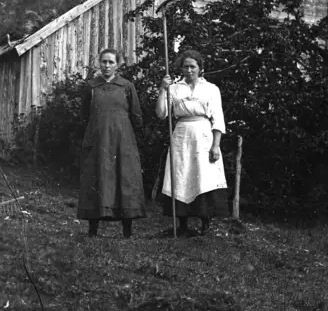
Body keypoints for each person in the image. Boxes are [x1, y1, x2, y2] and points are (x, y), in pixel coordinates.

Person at [155, 48, 229, 236]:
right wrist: (163, 89)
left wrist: (216, 145)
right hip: (181, 134)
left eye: (192, 67)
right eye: (185, 67)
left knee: (203, 175)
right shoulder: (174, 88)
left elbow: (218, 119)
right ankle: (182, 223)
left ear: (200, 68)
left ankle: (205, 222)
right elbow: (161, 114)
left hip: (204, 135)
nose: (188, 70)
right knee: (181, 174)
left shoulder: (211, 89)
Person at [77, 48, 147, 238]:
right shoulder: (91, 86)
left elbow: (136, 116)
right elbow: (84, 115)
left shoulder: (126, 86)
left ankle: (127, 231)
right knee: (96, 179)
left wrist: (126, 134)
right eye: (104, 62)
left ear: (118, 65)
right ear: (99, 63)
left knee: (124, 179)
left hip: (122, 142)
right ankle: (92, 229)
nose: (107, 66)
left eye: (111, 62)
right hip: (97, 141)